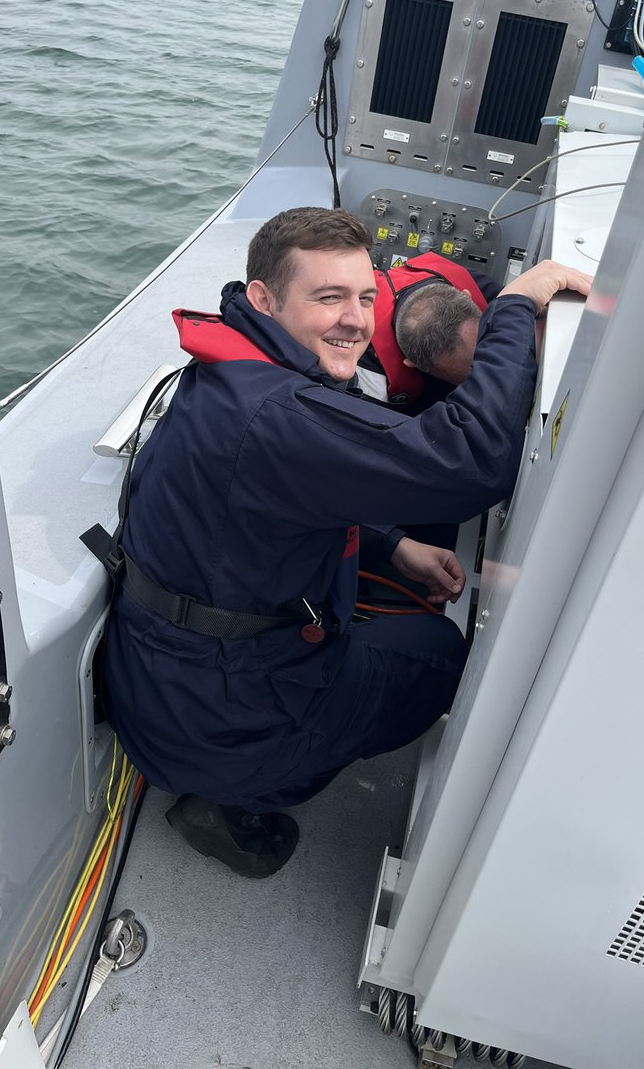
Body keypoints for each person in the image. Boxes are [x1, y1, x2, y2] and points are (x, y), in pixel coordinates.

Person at [94, 207, 591, 879]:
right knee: (439, 655)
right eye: (328, 298)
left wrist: (392, 547)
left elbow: (289, 491)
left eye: (364, 297)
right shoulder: (279, 416)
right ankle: (239, 799)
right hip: (215, 733)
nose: (355, 320)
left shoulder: (232, 367)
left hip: (158, 691)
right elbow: (472, 460)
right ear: (266, 299)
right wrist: (511, 308)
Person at [356, 252, 500, 407]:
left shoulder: (489, 295)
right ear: (412, 363)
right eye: (468, 374)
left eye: (484, 342)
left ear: (467, 296)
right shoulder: (369, 374)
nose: (485, 374)